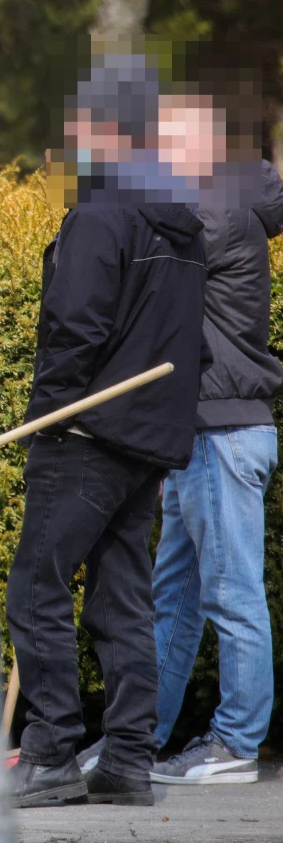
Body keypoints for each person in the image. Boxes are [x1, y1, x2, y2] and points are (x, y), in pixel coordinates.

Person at [6, 54, 211, 808]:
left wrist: (46, 417)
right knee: (123, 599)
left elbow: (74, 325)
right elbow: (190, 341)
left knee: (36, 587)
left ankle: (51, 755)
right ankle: (126, 758)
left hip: (86, 434)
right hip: (147, 440)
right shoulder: (182, 225)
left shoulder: (98, 212)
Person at [78, 127, 283, 784]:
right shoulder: (218, 206)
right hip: (198, 435)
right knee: (175, 596)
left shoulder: (218, 214)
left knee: (231, 595)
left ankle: (236, 743)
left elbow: (143, 255)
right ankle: (137, 740)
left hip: (221, 433)